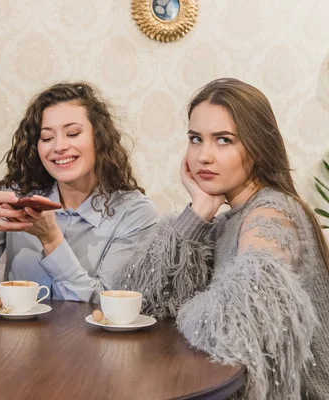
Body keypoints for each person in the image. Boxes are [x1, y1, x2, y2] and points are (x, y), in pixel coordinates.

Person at [116, 78, 329, 399]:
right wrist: (198, 212)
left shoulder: (270, 215)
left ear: (258, 146)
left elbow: (235, 327)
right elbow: (137, 300)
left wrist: (184, 308)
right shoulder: (232, 216)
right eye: (196, 139)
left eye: (224, 140)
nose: (204, 156)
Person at [0, 82, 157, 302]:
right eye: (46, 138)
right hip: (17, 336)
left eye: (73, 133)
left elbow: (107, 306)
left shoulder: (134, 212)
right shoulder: (19, 196)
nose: (59, 146)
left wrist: (51, 239)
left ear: (99, 138)